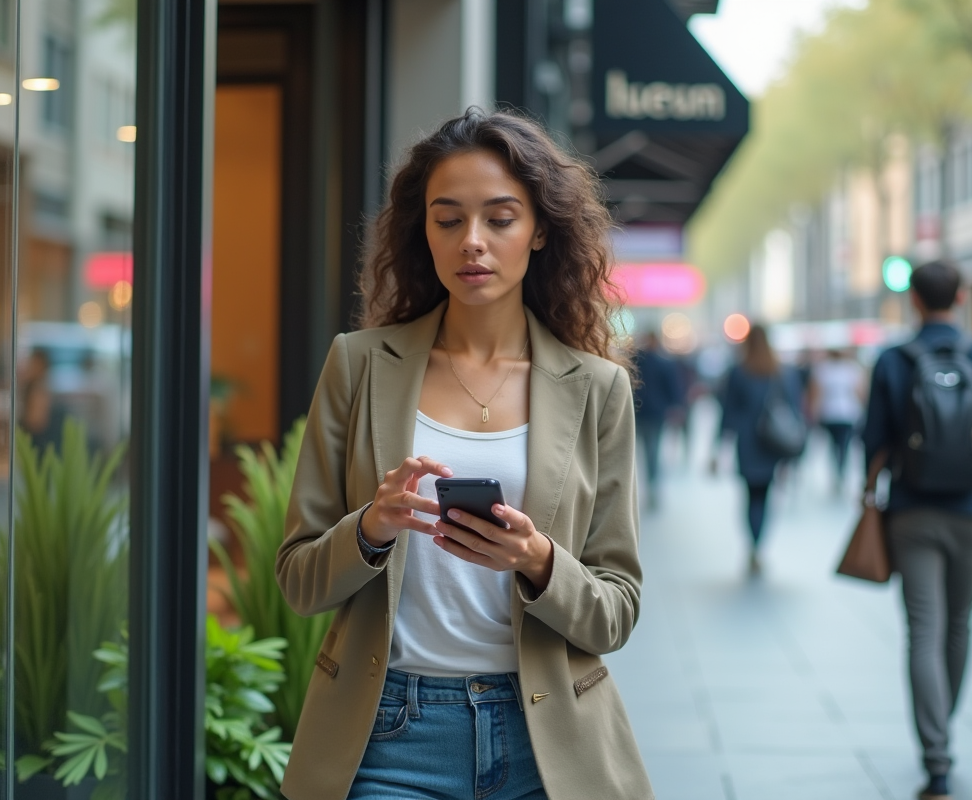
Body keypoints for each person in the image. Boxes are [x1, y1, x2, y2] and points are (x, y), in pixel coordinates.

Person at [275, 109, 652, 800]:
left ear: (540, 230)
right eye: (448, 219)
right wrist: (371, 528)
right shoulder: (358, 365)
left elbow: (616, 610)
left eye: (499, 218)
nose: (471, 241)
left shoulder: (596, 389)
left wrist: (538, 561)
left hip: (548, 741)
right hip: (388, 736)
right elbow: (299, 581)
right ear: (423, 229)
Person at [862, 260, 972, 800]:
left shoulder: (893, 360)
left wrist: (869, 492)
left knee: (923, 629)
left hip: (911, 509)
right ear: (959, 299)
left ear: (914, 301)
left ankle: (936, 756)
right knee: (960, 623)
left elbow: (875, 440)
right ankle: (942, 723)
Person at [714, 323, 803, 575]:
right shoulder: (783, 371)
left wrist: (719, 445)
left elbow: (728, 411)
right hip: (773, 444)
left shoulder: (739, 372)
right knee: (765, 496)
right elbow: (794, 411)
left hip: (748, 443)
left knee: (750, 495)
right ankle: (759, 544)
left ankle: (752, 545)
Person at [633, 330, 683, 509]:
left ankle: (646, 488)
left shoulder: (636, 362)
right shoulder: (664, 362)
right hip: (654, 414)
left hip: (639, 413)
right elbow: (674, 389)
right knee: (652, 452)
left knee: (637, 452)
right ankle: (652, 487)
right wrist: (676, 407)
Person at [809, 348, 865, 493]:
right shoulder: (851, 369)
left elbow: (816, 394)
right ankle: (841, 470)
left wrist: (814, 413)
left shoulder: (823, 370)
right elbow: (860, 393)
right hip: (847, 414)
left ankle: (837, 471)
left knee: (833, 445)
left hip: (830, 413)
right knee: (844, 445)